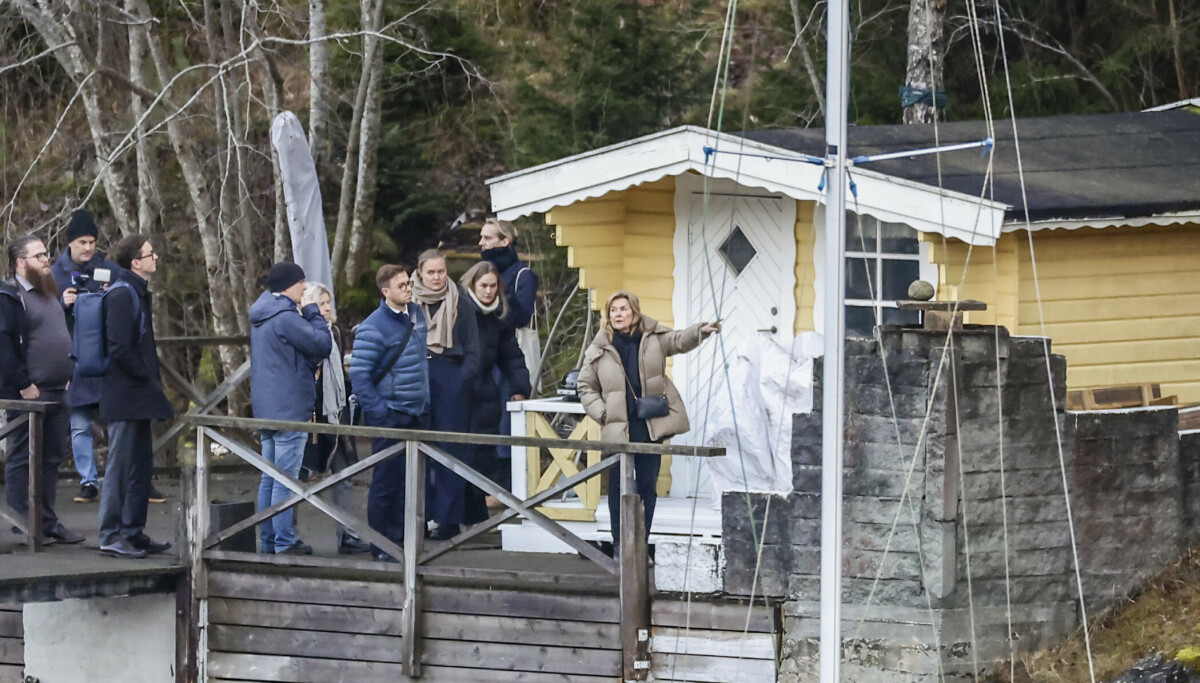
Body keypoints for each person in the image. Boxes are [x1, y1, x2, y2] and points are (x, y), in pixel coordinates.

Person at [576, 290, 720, 550]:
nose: (617, 314)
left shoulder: (653, 337)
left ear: (634, 311)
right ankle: (621, 545)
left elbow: (679, 340)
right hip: (618, 429)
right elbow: (585, 386)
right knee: (619, 488)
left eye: (623, 309)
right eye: (613, 310)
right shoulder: (598, 347)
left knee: (647, 487)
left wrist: (702, 330)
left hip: (649, 426)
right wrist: (603, 413)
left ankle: (640, 544)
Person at [49, 210, 164, 504]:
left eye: (92, 241)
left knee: (120, 424)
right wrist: (62, 303)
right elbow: (42, 319)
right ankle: (89, 481)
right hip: (72, 358)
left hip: (108, 356)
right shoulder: (53, 274)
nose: (88, 247)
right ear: (70, 243)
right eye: (82, 242)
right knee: (79, 422)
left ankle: (130, 479)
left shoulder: (110, 269)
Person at [0, 235, 87, 546]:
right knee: (22, 457)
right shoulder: (9, 296)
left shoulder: (50, 292)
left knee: (51, 458)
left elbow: (59, 334)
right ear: (20, 262)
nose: (46, 259)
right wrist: (23, 384)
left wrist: (69, 371)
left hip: (58, 388)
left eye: (46, 254)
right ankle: (23, 521)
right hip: (28, 394)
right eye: (38, 256)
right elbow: (4, 346)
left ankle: (47, 521)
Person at [98, 234, 174, 558]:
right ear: (135, 263)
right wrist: (146, 374)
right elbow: (118, 347)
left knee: (141, 465)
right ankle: (110, 533)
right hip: (124, 393)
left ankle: (133, 530)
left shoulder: (137, 291)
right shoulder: (120, 294)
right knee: (120, 465)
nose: (155, 257)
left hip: (139, 394)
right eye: (149, 254)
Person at [249, 263, 332, 556]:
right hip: (290, 406)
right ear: (288, 286)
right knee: (285, 478)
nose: (304, 288)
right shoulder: (285, 317)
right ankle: (284, 542)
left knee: (269, 476)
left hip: (267, 406)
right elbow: (322, 344)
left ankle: (269, 540)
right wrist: (312, 313)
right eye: (301, 283)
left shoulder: (261, 314)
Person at [348, 264, 429, 562]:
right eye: (402, 285)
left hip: (417, 411)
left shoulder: (417, 315)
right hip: (392, 412)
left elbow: (420, 363)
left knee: (411, 483)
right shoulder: (373, 326)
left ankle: (405, 542)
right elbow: (360, 376)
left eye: (409, 283)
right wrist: (381, 413)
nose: (408, 288)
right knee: (386, 483)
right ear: (386, 292)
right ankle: (382, 546)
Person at [411, 250, 480, 540]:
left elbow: (475, 349)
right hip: (416, 376)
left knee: (451, 451)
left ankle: (449, 520)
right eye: (431, 272)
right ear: (420, 273)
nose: (437, 277)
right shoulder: (408, 301)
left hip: (450, 374)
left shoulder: (461, 301)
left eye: (441, 271)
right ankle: (418, 516)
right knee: (417, 448)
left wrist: (460, 381)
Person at [299, 282, 370, 555]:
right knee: (299, 476)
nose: (327, 308)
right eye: (321, 303)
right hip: (311, 413)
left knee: (345, 474)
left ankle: (348, 534)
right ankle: (285, 537)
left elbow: (338, 373)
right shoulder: (304, 333)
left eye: (329, 303)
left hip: (336, 410)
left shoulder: (336, 333)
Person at [459, 261, 531, 524]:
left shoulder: (499, 316)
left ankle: (474, 518)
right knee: (456, 455)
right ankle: (449, 518)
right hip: (459, 393)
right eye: (483, 286)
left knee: (482, 457)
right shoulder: (458, 311)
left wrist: (520, 387)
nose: (488, 291)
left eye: (492, 286)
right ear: (472, 286)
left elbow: (511, 356)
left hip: (485, 395)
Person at [479, 218, 539, 376]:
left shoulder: (523, 275)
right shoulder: (481, 274)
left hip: (511, 359)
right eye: (481, 237)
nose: (481, 243)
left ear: (505, 241)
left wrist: (501, 290)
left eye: (487, 238)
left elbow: (522, 318)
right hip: (485, 358)